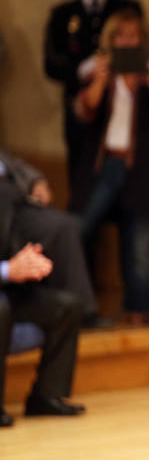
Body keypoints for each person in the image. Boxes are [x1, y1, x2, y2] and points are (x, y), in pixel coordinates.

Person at [69, 9, 149, 326]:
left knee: (140, 246)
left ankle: (138, 316)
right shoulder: (98, 70)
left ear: (142, 40)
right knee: (75, 231)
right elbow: (83, 111)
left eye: (133, 36)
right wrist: (102, 80)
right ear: (110, 39)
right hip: (103, 168)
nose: (126, 42)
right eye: (120, 36)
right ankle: (79, 310)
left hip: (142, 171)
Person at [43, 0, 143, 184]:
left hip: (123, 107)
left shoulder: (127, 7)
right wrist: (83, 69)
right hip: (81, 113)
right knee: (83, 183)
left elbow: (142, 50)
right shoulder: (63, 14)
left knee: (128, 187)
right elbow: (51, 64)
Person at [1, 183, 85, 427]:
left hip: (9, 290)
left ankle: (46, 396)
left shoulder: (6, 199)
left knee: (67, 307)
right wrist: (8, 270)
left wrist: (28, 263)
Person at [0, 147, 100, 325]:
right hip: (4, 203)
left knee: (64, 226)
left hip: (20, 202)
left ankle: (84, 312)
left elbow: (15, 165)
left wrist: (37, 181)